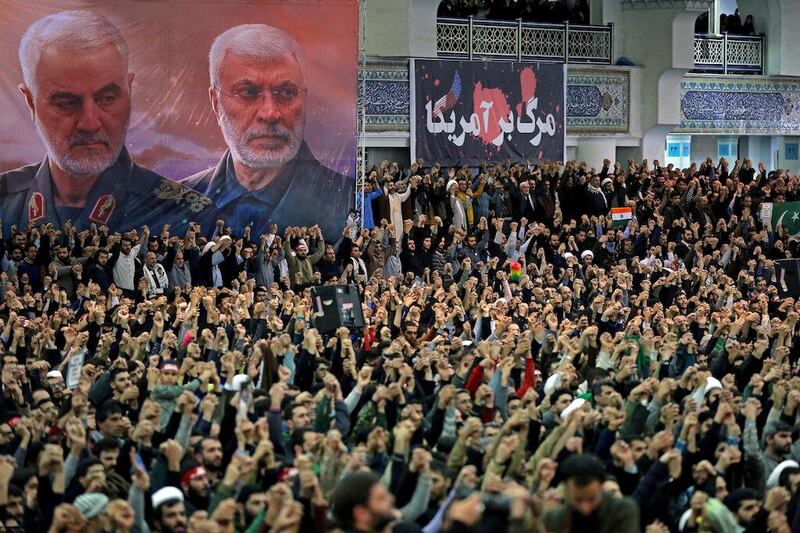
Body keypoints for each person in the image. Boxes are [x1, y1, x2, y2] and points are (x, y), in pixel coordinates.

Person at [0, 10, 211, 235]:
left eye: (107, 99)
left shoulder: (189, 215)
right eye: (65, 102)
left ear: (129, 91)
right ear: (30, 102)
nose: (90, 123)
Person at [182, 23, 353, 238]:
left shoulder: (347, 200)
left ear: (304, 100)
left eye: (286, 92)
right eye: (248, 92)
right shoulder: (174, 205)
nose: (270, 113)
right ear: (216, 103)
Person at [544, 454, 640, 533]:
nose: (585, 508)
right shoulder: (555, 519)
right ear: (566, 491)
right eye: (578, 500)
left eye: (592, 499)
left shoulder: (622, 511)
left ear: (602, 488)